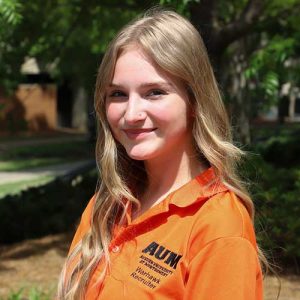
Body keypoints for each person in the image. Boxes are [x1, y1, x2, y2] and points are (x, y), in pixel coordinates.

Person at [58, 8, 265, 300]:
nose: (131, 114)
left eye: (154, 92)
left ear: (195, 101)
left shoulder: (218, 224)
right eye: (117, 94)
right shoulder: (107, 204)